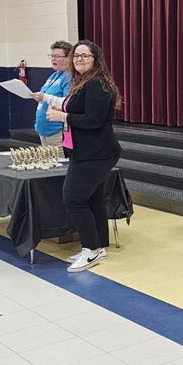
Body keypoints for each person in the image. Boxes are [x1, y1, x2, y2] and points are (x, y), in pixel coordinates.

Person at [44, 40, 122, 272]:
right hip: (85, 151)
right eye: (76, 56)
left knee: (73, 199)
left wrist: (63, 118)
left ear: (95, 59)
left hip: (96, 153)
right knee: (92, 198)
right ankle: (98, 246)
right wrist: (63, 112)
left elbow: (94, 120)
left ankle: (90, 250)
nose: (79, 59)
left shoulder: (96, 84)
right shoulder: (84, 82)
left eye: (84, 56)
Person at [31, 40, 72, 147]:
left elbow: (68, 103)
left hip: (56, 132)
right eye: (52, 55)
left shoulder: (69, 77)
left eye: (57, 56)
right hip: (42, 130)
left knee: (59, 163)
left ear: (69, 58)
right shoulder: (53, 76)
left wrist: (44, 97)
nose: (53, 58)